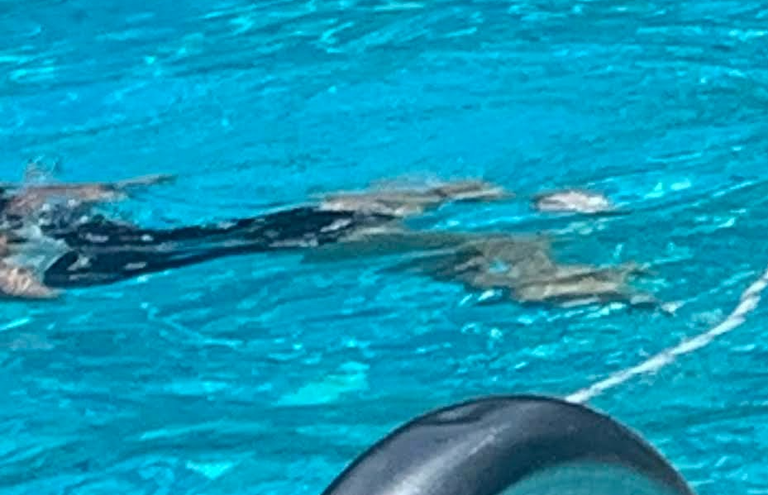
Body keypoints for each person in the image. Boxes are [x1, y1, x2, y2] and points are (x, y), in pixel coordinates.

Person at [0, 173, 642, 308]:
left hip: (191, 252)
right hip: (189, 236)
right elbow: (75, 193)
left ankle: (518, 265)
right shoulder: (17, 209)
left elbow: (29, 291)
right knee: (322, 217)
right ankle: (517, 210)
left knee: (407, 247)